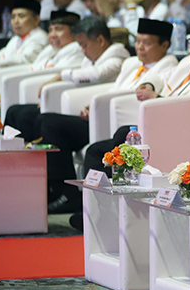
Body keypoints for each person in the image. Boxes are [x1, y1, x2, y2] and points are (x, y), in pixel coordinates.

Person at [39, 18, 178, 213]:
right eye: (137, 41)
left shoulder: (168, 65)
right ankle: (59, 189)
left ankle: (86, 204)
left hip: (127, 124)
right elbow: (116, 89)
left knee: (60, 130)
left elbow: (135, 94)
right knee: (47, 120)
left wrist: (100, 107)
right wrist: (94, 107)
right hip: (102, 117)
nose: (140, 47)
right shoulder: (131, 63)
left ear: (164, 45)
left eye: (146, 43)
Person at [80, 18, 190, 177]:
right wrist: (150, 85)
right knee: (97, 150)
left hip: (180, 130)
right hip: (164, 122)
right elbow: (162, 77)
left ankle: (115, 189)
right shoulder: (188, 63)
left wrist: (157, 97)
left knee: (116, 139)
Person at [4, 16, 130, 142]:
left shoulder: (117, 57)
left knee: (45, 122)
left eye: (84, 45)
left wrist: (61, 75)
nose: (83, 50)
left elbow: (96, 75)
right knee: (14, 110)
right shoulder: (91, 58)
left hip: (99, 118)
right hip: (81, 109)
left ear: (101, 41)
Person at [0, 10, 85, 113]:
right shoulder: (50, 49)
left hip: (49, 97)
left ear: (75, 33)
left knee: (14, 112)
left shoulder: (76, 49)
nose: (52, 35)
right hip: (31, 93)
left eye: (58, 30)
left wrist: (7, 95)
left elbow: (48, 76)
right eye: (50, 30)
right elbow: (33, 70)